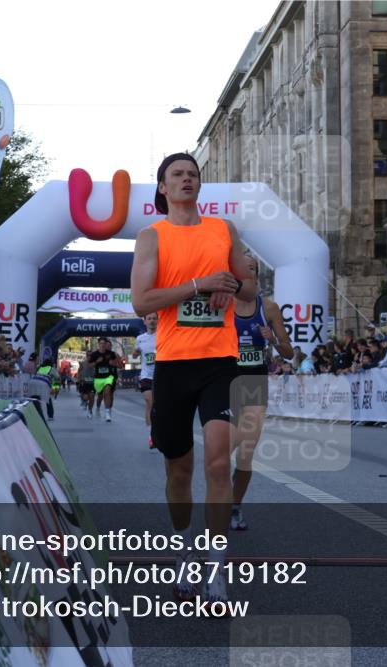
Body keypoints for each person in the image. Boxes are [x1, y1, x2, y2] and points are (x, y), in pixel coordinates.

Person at [130, 152, 255, 606]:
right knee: (178, 470)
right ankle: (184, 548)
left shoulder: (223, 230)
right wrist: (199, 285)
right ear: (162, 188)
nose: (187, 179)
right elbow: (142, 302)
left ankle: (217, 569)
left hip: (220, 361)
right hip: (173, 364)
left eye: (193, 174)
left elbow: (251, 288)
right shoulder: (152, 237)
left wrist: (233, 286)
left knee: (219, 463)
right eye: (178, 175)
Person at [230, 256, 293, 531]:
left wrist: (274, 341)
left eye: (252, 269)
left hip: (254, 380)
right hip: (223, 380)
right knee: (221, 452)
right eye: (242, 268)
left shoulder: (268, 307)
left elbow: (290, 352)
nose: (247, 273)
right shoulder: (222, 305)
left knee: (246, 451)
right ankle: (218, 498)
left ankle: (234, 506)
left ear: (256, 276)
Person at [132, 312, 159, 448]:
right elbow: (135, 353)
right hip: (146, 376)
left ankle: (157, 431)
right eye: (149, 319)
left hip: (161, 376)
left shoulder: (163, 335)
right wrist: (135, 353)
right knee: (151, 402)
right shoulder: (140, 338)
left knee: (153, 406)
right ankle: (151, 436)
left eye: (154, 318)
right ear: (145, 321)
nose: (152, 321)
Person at [87, 337, 121, 421]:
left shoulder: (111, 353)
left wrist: (114, 362)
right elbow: (90, 366)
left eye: (104, 343)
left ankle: (107, 413)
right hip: (98, 378)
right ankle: (92, 409)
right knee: (97, 397)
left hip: (108, 377)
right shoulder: (94, 354)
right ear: (98, 344)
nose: (102, 345)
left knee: (107, 392)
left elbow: (119, 365)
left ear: (106, 345)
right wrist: (96, 362)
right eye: (101, 343)